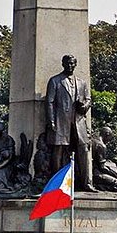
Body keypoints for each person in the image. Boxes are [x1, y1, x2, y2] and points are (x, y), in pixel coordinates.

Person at [46, 55, 96, 192]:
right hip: (61, 120)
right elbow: (49, 102)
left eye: (72, 63)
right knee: (58, 150)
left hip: (78, 122)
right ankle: (56, 183)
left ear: (75, 65)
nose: (70, 66)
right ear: (63, 64)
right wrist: (51, 121)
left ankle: (87, 183)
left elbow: (88, 100)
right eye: (67, 63)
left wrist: (84, 106)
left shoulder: (82, 82)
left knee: (84, 150)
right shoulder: (55, 81)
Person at [92, 127, 117, 192]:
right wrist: (116, 175)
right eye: (109, 139)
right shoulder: (101, 146)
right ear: (107, 134)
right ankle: (97, 186)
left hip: (92, 172)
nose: (108, 141)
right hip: (96, 174)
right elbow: (102, 167)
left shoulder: (93, 141)